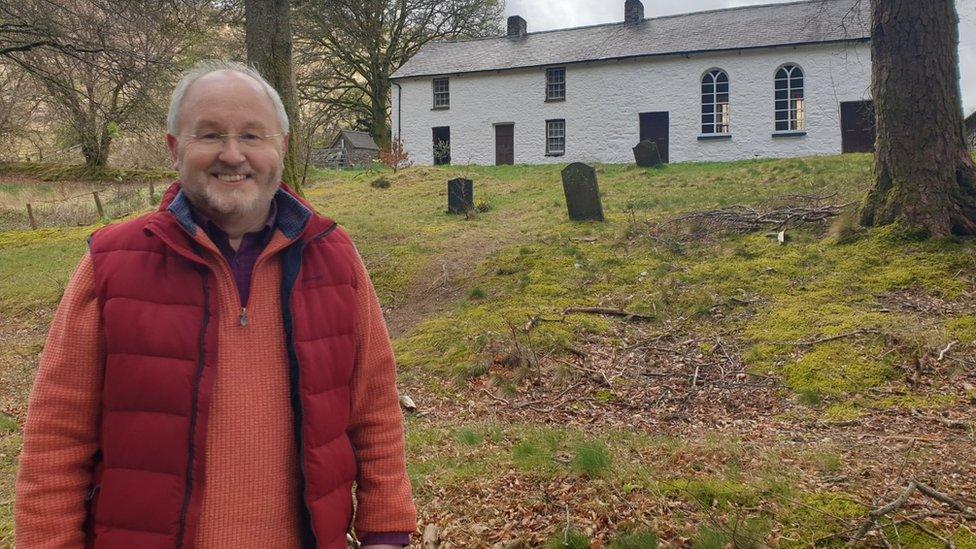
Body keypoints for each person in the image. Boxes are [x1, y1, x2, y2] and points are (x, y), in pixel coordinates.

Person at [14, 60, 417, 548]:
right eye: (209, 135)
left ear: (281, 148)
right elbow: (57, 440)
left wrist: (387, 531)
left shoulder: (333, 256)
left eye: (252, 136)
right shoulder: (110, 265)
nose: (232, 154)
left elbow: (373, 409)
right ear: (174, 148)